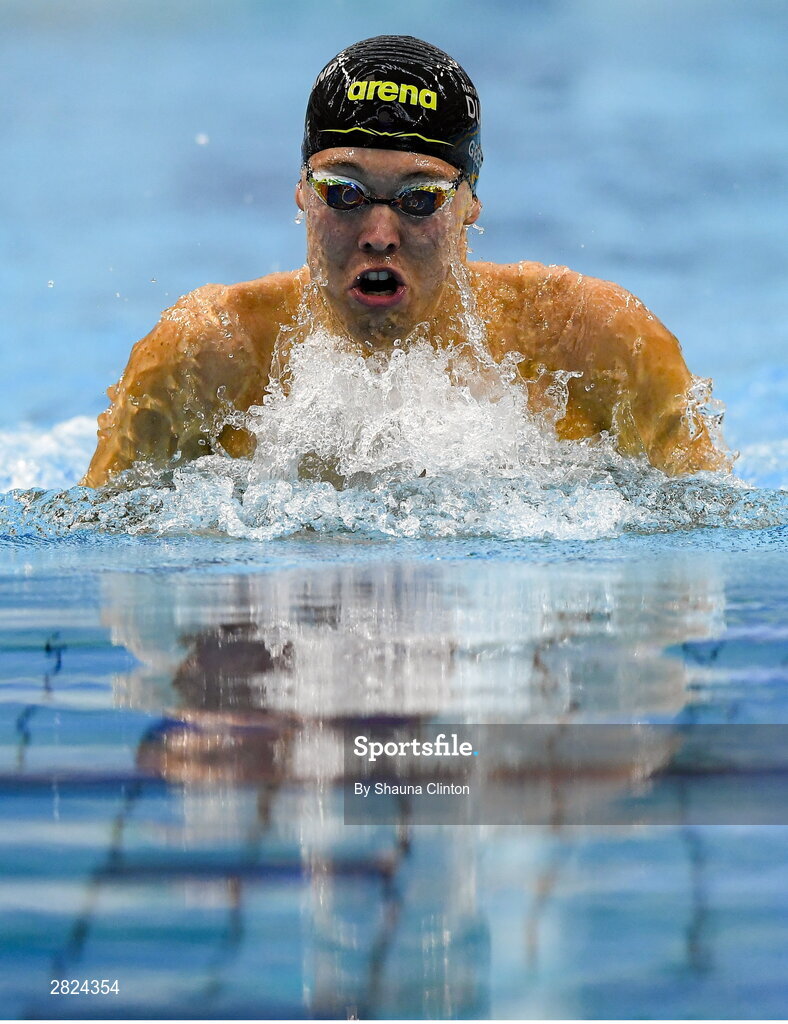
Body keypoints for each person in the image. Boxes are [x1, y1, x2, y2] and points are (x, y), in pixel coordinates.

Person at [82, 34, 730, 488]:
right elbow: (98, 550)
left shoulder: (590, 343)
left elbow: (713, 527)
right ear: (302, 193)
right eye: (345, 193)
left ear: (470, 203)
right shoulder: (206, 356)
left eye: (420, 199)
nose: (379, 233)